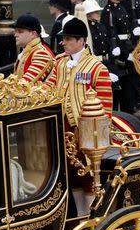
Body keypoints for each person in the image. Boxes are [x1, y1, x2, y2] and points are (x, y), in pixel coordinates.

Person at [44, 18, 112, 213]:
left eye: (67, 39)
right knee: (72, 175)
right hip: (62, 128)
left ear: (81, 41)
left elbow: (106, 107)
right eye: (63, 39)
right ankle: (82, 217)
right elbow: (48, 88)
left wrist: (99, 135)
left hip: (85, 129)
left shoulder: (97, 68)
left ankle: (92, 218)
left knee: (88, 175)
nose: (63, 43)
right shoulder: (60, 64)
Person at [100, 0, 136, 113]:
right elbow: (110, 35)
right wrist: (125, 54)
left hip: (127, 48)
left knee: (129, 92)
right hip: (119, 55)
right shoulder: (107, 12)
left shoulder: (122, 7)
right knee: (119, 93)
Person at [13, 13, 54, 83]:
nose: (15, 35)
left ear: (33, 34)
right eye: (16, 31)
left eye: (20, 31)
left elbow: (26, 84)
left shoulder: (42, 53)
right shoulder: (28, 50)